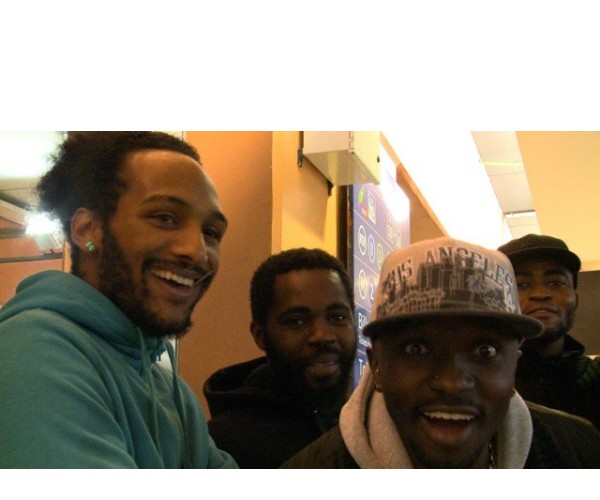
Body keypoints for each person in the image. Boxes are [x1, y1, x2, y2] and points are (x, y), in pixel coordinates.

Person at [0, 131, 237, 468]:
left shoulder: (170, 390)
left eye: (211, 233)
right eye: (165, 218)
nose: (198, 252)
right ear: (87, 230)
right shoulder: (33, 350)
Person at [283, 237, 600, 468]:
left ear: (513, 365)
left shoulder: (578, 451)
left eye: (485, 350)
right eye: (416, 349)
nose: (452, 383)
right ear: (377, 365)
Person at [204, 248, 357, 468]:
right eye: (296, 321)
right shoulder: (218, 446)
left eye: (338, 317)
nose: (322, 336)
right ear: (260, 335)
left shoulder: (370, 429)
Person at [498, 234, 600, 429]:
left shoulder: (594, 381)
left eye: (556, 283)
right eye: (521, 285)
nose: (540, 294)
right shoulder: (476, 385)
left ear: (576, 299)